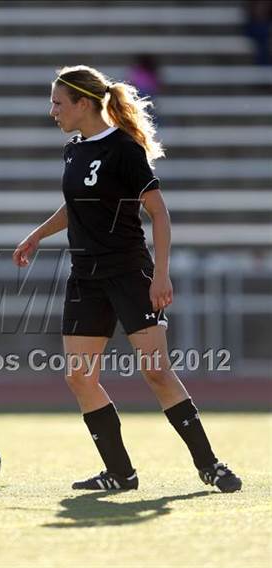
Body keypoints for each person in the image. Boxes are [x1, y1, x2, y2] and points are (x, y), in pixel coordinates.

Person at [12, 65, 242, 493]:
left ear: (83, 103)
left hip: (128, 273)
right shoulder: (73, 149)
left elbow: (159, 213)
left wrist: (160, 275)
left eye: (58, 103)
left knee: (155, 371)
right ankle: (121, 473)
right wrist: (37, 236)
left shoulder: (125, 149)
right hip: (85, 276)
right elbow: (77, 207)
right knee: (79, 378)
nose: (52, 111)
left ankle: (210, 465)